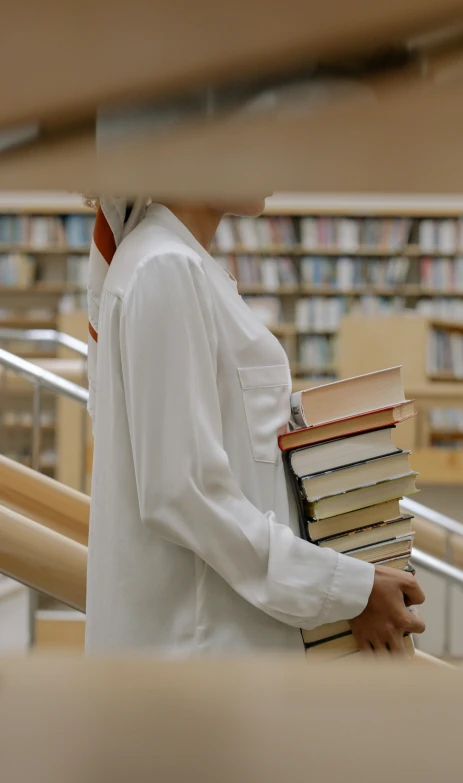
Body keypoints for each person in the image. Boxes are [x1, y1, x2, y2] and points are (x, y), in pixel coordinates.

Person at [85, 194, 425, 656]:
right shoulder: (164, 268)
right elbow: (184, 493)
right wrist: (346, 587)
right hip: (201, 660)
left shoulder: (181, 265)